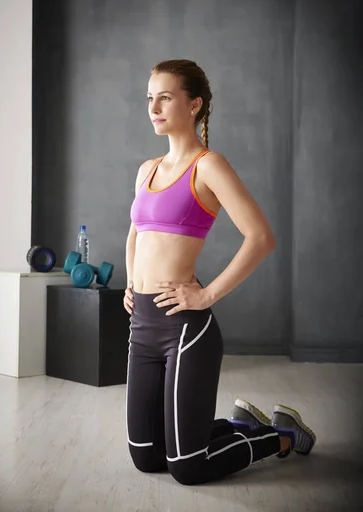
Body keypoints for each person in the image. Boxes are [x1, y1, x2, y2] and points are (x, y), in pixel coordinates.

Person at [123, 59, 316, 486]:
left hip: (185, 331)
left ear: (194, 105)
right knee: (145, 456)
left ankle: (280, 437)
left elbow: (261, 237)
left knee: (186, 467)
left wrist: (206, 295)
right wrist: (131, 281)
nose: (154, 106)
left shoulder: (208, 166)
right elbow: (136, 233)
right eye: (150, 98)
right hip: (143, 325)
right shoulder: (147, 170)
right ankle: (240, 424)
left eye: (165, 97)